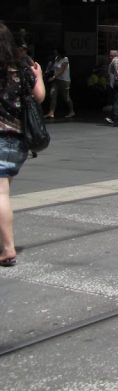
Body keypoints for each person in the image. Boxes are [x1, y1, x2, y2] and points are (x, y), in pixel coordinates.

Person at [0, 21, 46, 267]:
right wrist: (38, 76)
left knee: (0, 193)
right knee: (3, 190)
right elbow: (39, 97)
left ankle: (7, 248)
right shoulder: (21, 69)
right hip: (17, 140)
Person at [45, 47, 74, 119]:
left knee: (66, 97)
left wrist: (53, 77)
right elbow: (54, 68)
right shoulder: (56, 58)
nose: (54, 52)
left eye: (56, 50)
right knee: (52, 94)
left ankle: (72, 111)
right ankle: (51, 112)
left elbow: (62, 70)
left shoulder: (65, 59)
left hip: (64, 80)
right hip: (56, 80)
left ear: (59, 51)